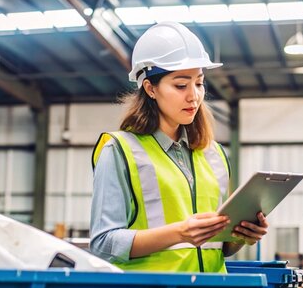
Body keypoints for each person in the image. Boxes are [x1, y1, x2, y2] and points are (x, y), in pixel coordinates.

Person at [90, 22, 268, 273]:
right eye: (181, 85)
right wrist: (179, 233)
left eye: (199, 83)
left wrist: (242, 236)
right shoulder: (119, 150)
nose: (194, 96)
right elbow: (103, 243)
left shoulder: (213, 154)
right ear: (150, 88)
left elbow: (219, 247)